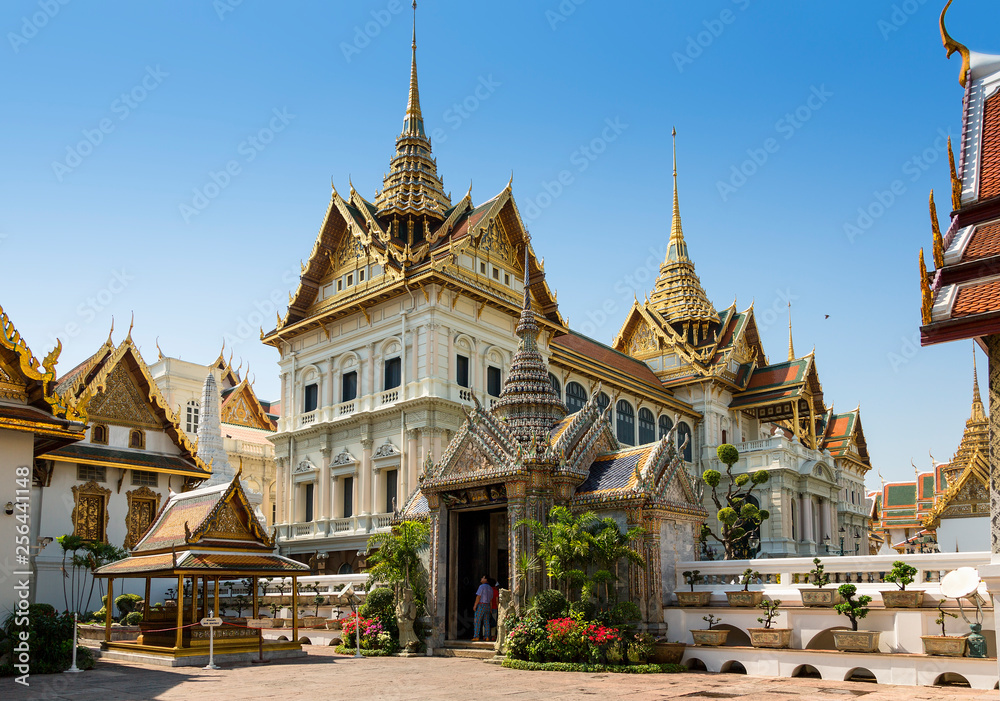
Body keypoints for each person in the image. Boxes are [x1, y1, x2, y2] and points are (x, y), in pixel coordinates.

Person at [471, 574, 493, 641]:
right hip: (487, 605)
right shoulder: (490, 588)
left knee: (477, 620)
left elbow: (478, 596)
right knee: (486, 622)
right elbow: (491, 599)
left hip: (481, 605)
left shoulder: (481, 586)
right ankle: (487, 636)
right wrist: (491, 608)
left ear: (486, 579)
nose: (481, 578)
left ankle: (476, 636)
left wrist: (475, 605)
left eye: (483, 578)